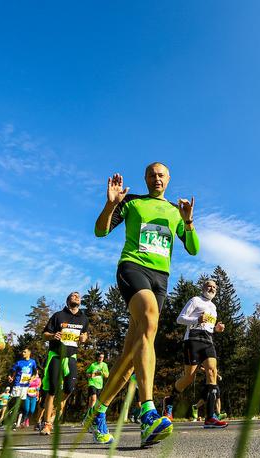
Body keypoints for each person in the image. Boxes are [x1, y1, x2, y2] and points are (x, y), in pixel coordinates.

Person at [86, 163, 199, 446]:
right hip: (133, 268)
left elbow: (194, 248)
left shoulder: (175, 211)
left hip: (161, 279)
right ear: (145, 179)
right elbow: (100, 231)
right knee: (150, 321)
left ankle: (97, 411)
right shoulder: (132, 202)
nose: (156, 178)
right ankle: (148, 412)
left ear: (168, 179)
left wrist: (188, 221)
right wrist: (110, 204)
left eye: (161, 174)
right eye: (151, 174)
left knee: (129, 357)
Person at [163, 280, 227, 428]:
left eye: (214, 287)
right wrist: (197, 319)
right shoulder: (195, 300)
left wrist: (216, 328)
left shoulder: (213, 307)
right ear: (203, 288)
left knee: (212, 372)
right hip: (192, 339)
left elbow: (208, 326)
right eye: (209, 286)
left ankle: (210, 417)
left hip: (208, 341)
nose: (211, 288)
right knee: (189, 377)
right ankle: (169, 400)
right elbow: (180, 319)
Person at [40, 291, 89, 435]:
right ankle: (47, 423)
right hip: (56, 355)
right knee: (52, 389)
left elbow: (85, 335)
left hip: (71, 356)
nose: (76, 297)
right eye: (73, 296)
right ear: (68, 301)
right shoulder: (58, 316)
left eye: (78, 296)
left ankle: (55, 409)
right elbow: (44, 335)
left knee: (69, 388)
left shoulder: (84, 319)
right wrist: (53, 335)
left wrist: (83, 338)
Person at [8, 348, 38, 428]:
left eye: (24, 352)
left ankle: (22, 419)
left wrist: (32, 378)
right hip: (17, 384)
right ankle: (13, 422)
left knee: (23, 404)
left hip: (25, 385)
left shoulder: (32, 362)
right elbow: (12, 370)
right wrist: (10, 377)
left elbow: (35, 372)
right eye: (22, 351)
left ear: (29, 353)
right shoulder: (19, 362)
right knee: (16, 402)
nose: (23, 353)